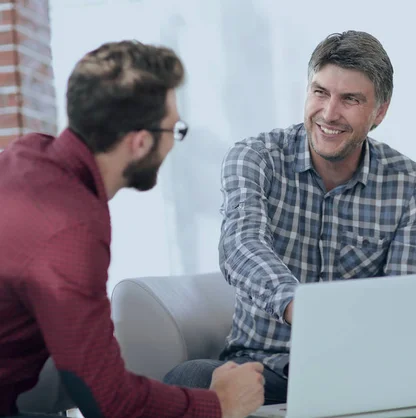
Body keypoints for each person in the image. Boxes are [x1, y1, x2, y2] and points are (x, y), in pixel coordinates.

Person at [164, 30, 416, 406]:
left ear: (379, 112)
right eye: (320, 92)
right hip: (261, 368)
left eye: (350, 99)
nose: (329, 113)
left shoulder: (411, 186)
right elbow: (240, 244)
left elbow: (402, 302)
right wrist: (300, 307)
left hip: (363, 374)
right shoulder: (256, 157)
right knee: (185, 379)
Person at [0, 41, 264, 418]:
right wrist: (219, 405)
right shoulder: (70, 230)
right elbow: (111, 404)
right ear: (140, 142)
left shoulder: (28, 154)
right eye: (175, 129)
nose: (174, 141)